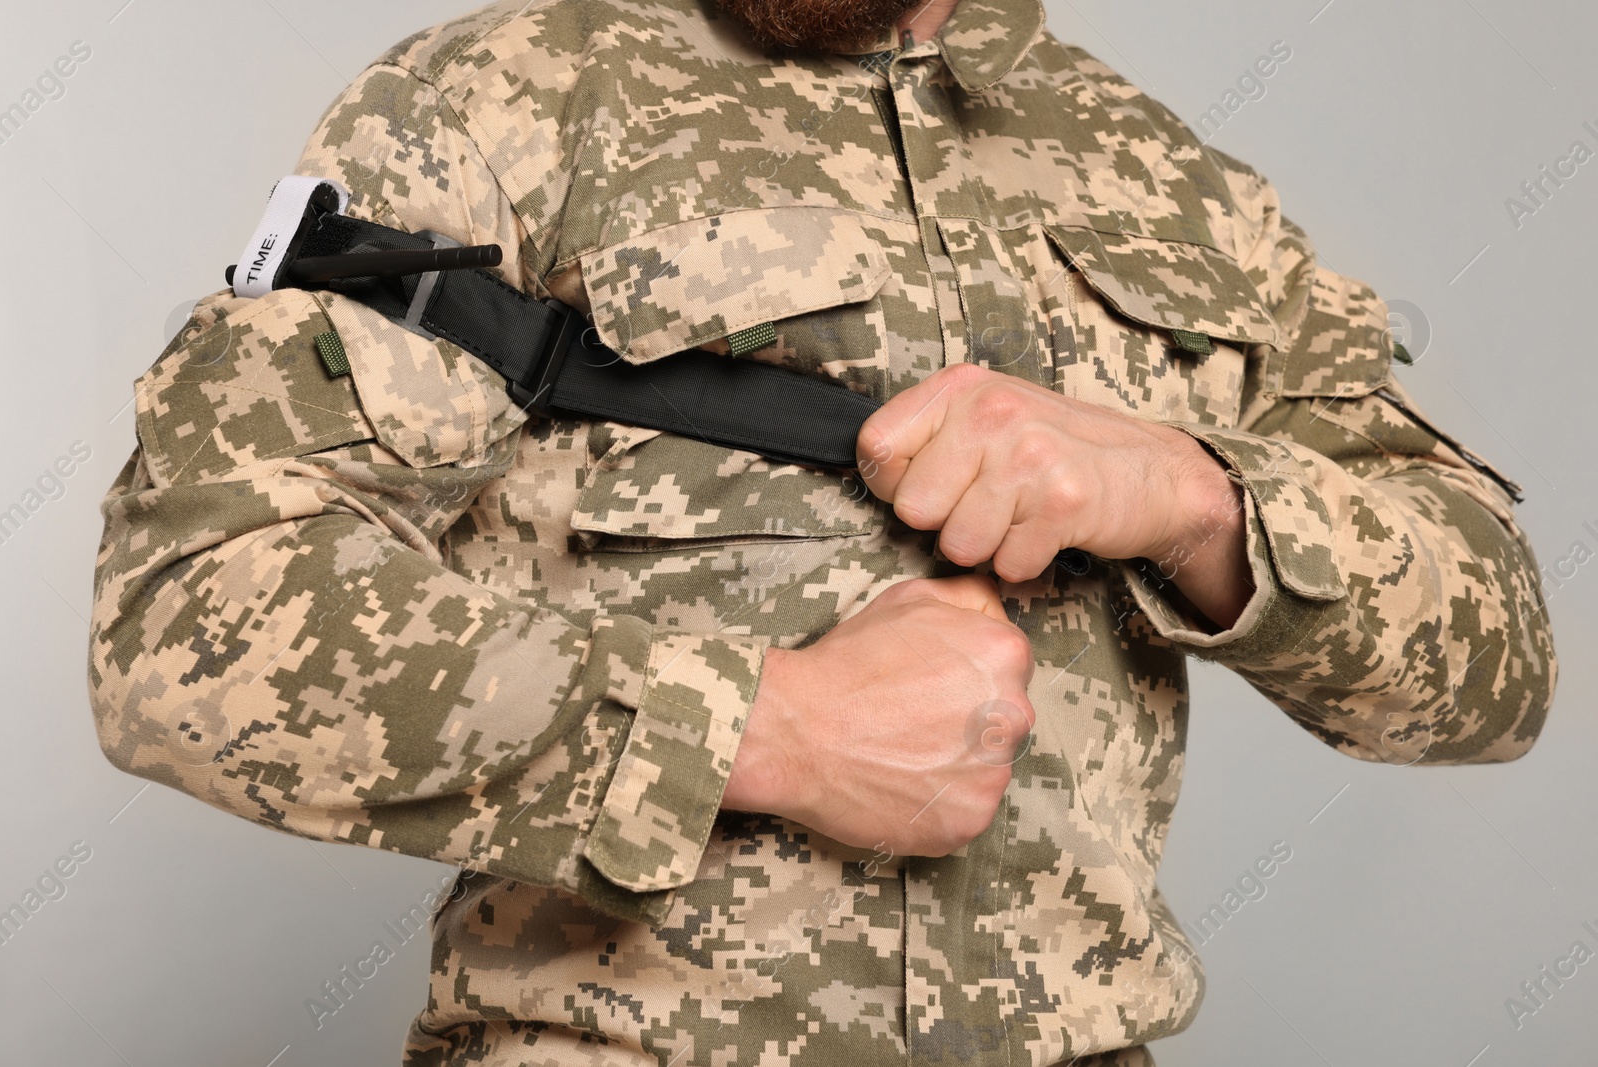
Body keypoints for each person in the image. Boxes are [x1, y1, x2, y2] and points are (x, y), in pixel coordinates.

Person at [85, 0, 1558, 1062]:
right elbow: (187, 617)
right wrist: (764, 730)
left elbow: (1497, 666)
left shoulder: (1186, 189)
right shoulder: (502, 99)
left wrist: (1194, 495)